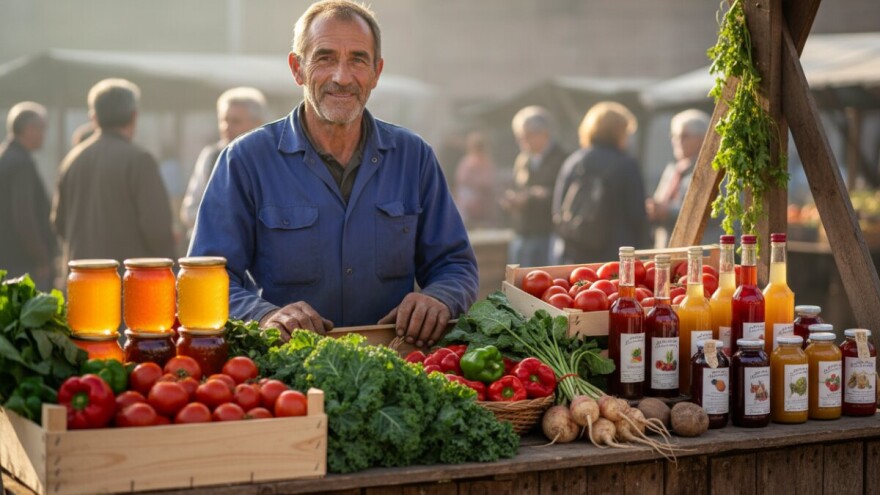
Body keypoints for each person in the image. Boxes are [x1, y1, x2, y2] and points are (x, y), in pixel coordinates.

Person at [188, 0, 478, 348]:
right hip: (286, 378)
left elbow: (455, 264)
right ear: (297, 68)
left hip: (395, 371)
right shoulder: (246, 161)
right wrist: (263, 315)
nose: (342, 77)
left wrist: (441, 297)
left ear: (376, 72)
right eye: (325, 58)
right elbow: (205, 279)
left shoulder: (413, 157)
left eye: (358, 59)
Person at [52, 79, 176, 266]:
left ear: (93, 117)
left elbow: (59, 223)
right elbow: (158, 230)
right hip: (126, 280)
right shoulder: (139, 160)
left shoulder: (72, 160)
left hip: (80, 278)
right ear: (134, 116)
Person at [552, 101, 650, 264]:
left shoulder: (573, 162)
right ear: (620, 132)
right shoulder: (626, 164)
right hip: (615, 256)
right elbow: (637, 214)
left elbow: (557, 210)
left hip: (575, 253)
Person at [180, 87, 267, 240]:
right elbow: (190, 210)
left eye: (236, 121)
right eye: (224, 120)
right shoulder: (211, 156)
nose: (227, 127)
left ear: (257, 124)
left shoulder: (271, 159)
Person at [500, 106, 569, 267]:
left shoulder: (562, 159)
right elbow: (518, 187)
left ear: (543, 133)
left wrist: (534, 198)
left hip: (546, 233)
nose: (522, 142)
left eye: (527, 136)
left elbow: (564, 196)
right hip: (522, 231)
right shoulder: (523, 160)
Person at [0, 102, 57, 288]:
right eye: (42, 129)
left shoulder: (5, 158)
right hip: (22, 263)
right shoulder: (21, 164)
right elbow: (24, 217)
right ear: (29, 129)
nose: (43, 135)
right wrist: (41, 258)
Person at [645, 109, 722, 247]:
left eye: (684, 136)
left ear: (702, 138)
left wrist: (667, 211)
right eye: (674, 136)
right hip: (667, 248)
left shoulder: (711, 170)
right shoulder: (673, 169)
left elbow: (712, 212)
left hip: (697, 251)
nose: (677, 141)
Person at [454, 130, 498, 229]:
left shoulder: (488, 162)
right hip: (469, 200)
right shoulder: (466, 163)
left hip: (485, 201)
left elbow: (490, 181)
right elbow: (462, 181)